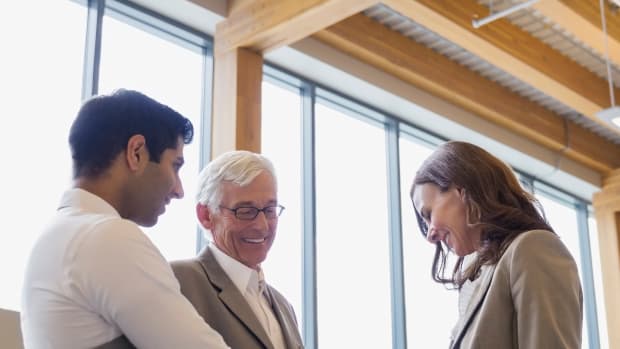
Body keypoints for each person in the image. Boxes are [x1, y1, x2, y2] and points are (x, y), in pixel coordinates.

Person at [20, 89, 230, 349]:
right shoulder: (107, 238)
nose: (179, 190)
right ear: (136, 152)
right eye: (175, 166)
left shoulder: (55, 237)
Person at [409, 141, 582, 349]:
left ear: (461, 190)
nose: (430, 235)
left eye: (429, 214)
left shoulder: (532, 248)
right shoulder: (480, 275)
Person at [171, 150, 304, 349]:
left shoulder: (284, 307)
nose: (262, 226)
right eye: (246, 211)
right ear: (206, 215)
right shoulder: (177, 281)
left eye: (269, 210)